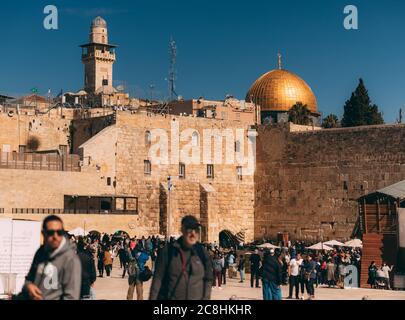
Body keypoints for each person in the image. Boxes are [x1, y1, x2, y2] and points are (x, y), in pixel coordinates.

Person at [150, 215, 213, 300]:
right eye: (190, 229)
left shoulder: (202, 253)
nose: (193, 233)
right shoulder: (168, 252)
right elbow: (157, 280)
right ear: (182, 230)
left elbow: (208, 279)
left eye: (196, 230)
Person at [21, 215, 81, 300]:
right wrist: (28, 286)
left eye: (59, 232)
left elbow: (71, 297)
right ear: (43, 233)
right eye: (50, 233)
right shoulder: (40, 252)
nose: (55, 236)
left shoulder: (70, 259)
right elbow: (29, 279)